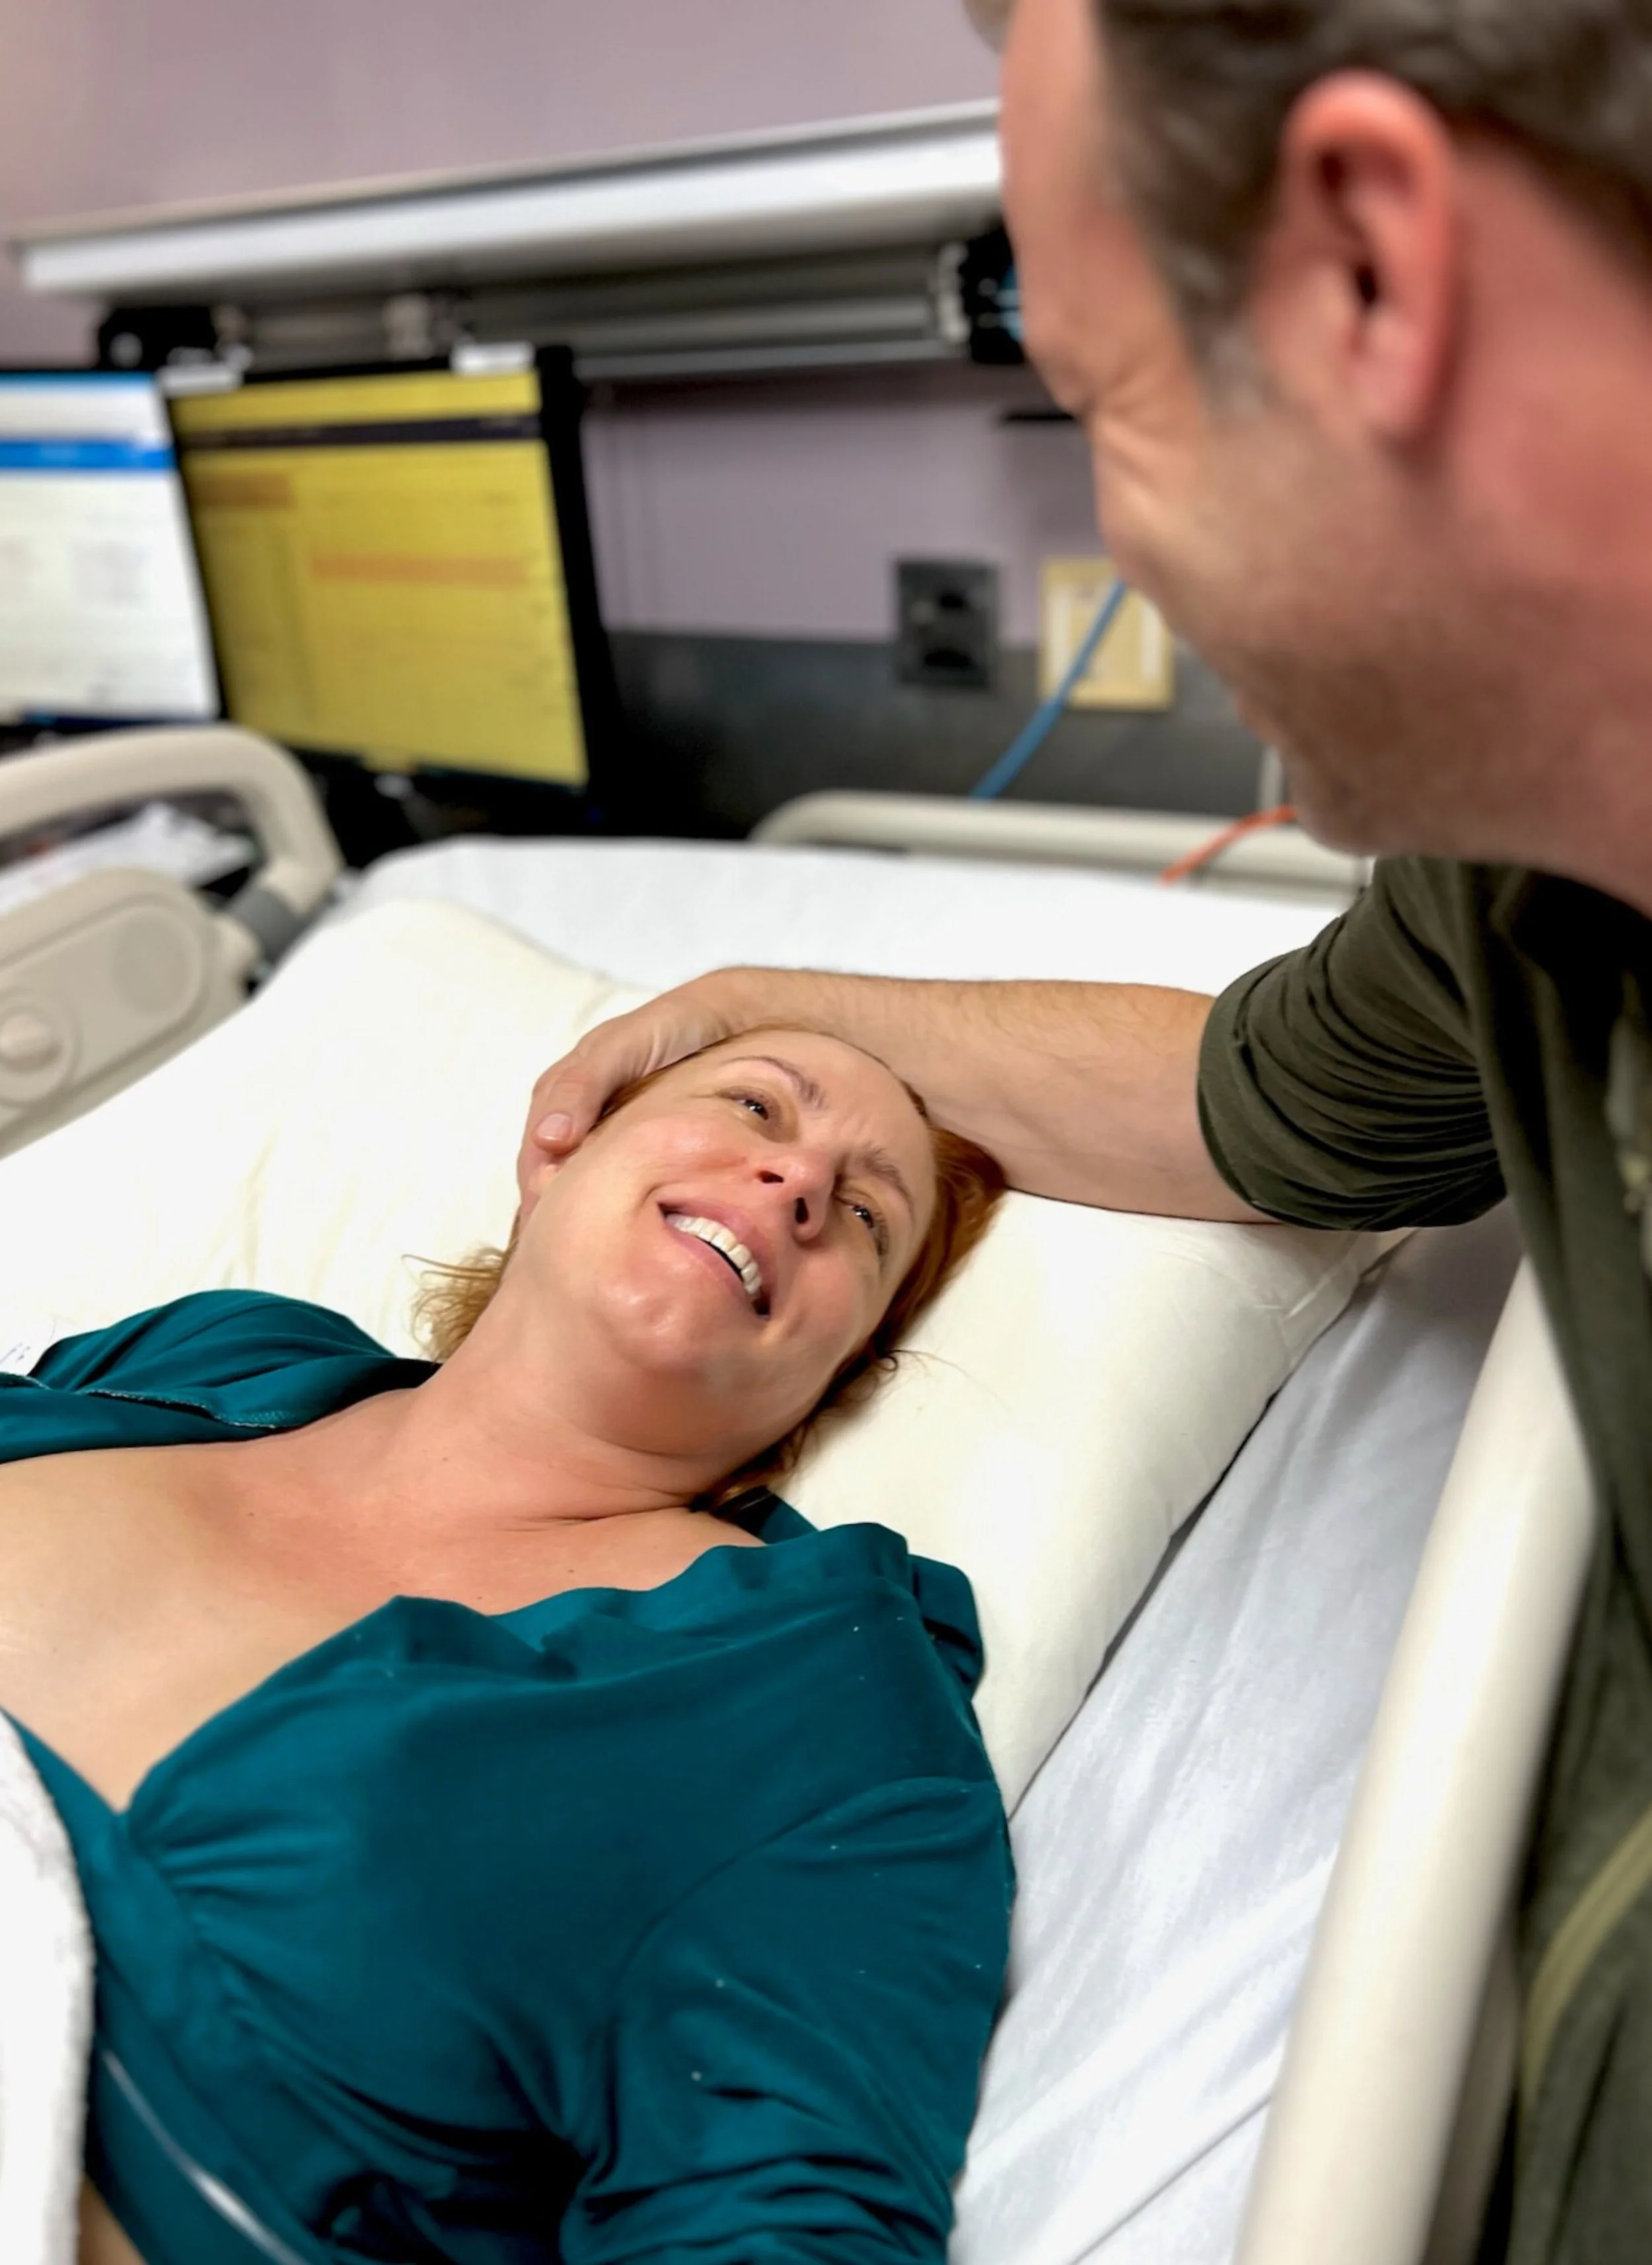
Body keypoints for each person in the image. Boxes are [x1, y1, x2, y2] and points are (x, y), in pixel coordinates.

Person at [517, 2, 1652, 2257]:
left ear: (1372, 266)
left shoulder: (810, 1697)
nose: (1115, 537)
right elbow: (1256, 1095)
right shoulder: (1523, 876)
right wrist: (784, 1010)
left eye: (1101, 406)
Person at [0, 1026, 1011, 2265]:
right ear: (561, 1152)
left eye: (864, 1217)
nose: (799, 1181)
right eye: (755, 1106)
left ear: (845, 1368)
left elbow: (795, 2219)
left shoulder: (812, 1691)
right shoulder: (215, 1355)